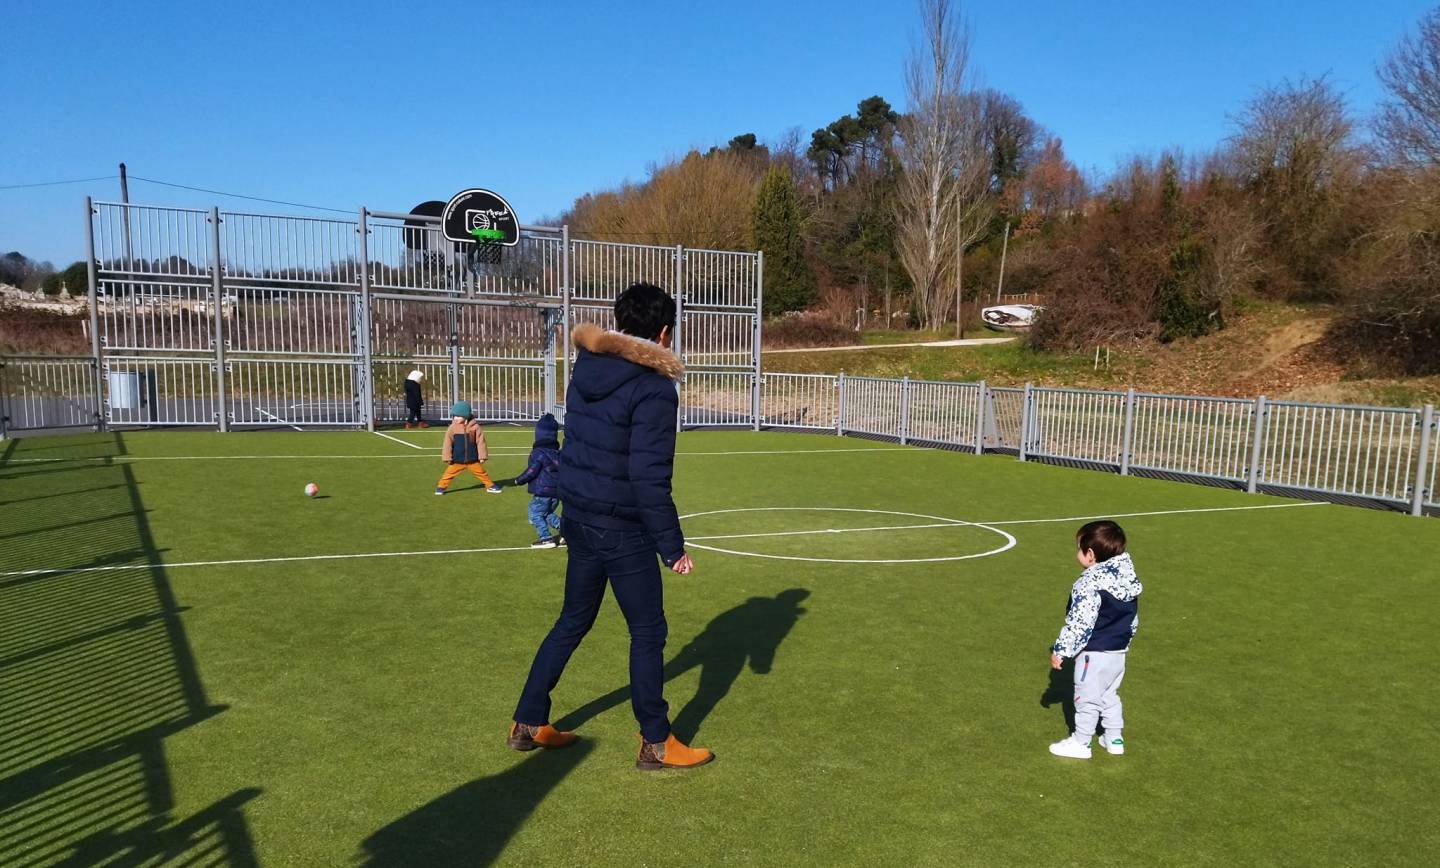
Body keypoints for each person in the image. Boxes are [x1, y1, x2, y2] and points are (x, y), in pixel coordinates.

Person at [508, 282, 711, 771]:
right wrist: (672, 546)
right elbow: (649, 475)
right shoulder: (654, 388)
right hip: (621, 527)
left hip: (579, 517)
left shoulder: (587, 369)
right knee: (647, 631)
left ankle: (528, 721)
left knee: (572, 621)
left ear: (620, 323)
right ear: (663, 332)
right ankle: (657, 742)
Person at [1048, 520, 1143, 759]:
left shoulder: (1089, 584)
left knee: (1086, 699)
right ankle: (1114, 738)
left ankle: (1081, 743)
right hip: (1118, 653)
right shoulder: (1127, 577)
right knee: (1109, 695)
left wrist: (1061, 650)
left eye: (1079, 548)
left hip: (1094, 653)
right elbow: (1133, 619)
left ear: (1090, 555)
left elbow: (1080, 623)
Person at [513, 412, 564, 549]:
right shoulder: (557, 453)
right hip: (556, 492)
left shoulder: (538, 453)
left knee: (534, 514)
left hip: (543, 491)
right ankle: (566, 531)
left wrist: (519, 480)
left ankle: (546, 538)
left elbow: (532, 470)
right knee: (545, 513)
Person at [435, 401, 502, 495]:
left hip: (472, 459)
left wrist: (482, 456)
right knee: (448, 474)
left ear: (466, 416)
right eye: (454, 416)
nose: (455, 418)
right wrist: (447, 457)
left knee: (482, 473)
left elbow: (480, 442)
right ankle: (441, 487)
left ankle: (490, 486)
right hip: (457, 460)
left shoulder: (475, 427)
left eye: (458, 416)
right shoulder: (452, 428)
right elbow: (447, 443)